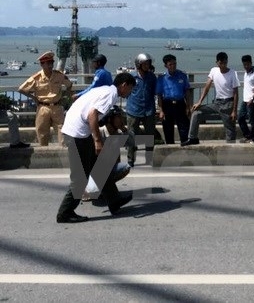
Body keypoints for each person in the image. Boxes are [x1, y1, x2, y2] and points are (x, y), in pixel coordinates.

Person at [56, 72, 137, 223]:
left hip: (78, 130)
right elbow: (92, 115)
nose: (130, 92)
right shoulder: (111, 95)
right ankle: (65, 213)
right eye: (131, 88)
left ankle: (114, 201)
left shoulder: (105, 90)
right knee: (80, 178)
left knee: (100, 168)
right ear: (124, 85)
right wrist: (98, 141)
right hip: (77, 134)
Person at [182, 52, 239, 145]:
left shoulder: (233, 73)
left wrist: (234, 110)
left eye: (225, 63)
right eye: (221, 63)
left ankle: (231, 145)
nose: (223, 65)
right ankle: (192, 138)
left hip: (228, 103)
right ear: (217, 62)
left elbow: (236, 93)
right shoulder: (214, 70)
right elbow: (207, 87)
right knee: (196, 112)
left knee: (230, 127)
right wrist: (199, 102)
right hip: (217, 103)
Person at [18, 51, 73, 146]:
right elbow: (21, 89)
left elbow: (69, 85)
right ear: (42, 65)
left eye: (51, 63)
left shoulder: (59, 75)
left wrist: (65, 97)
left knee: (63, 131)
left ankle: (65, 154)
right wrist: (34, 98)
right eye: (48, 63)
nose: (50, 66)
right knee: (42, 133)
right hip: (43, 108)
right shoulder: (36, 78)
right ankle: (44, 154)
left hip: (57, 107)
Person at [125, 53, 157, 167]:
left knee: (150, 135)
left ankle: (149, 158)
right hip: (133, 109)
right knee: (131, 135)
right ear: (139, 64)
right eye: (145, 63)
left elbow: (155, 91)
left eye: (148, 63)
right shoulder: (131, 76)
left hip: (148, 109)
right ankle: (130, 159)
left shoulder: (152, 77)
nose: (147, 65)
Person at [156, 54, 191, 145]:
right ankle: (170, 147)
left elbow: (187, 91)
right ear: (166, 65)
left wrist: (188, 106)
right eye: (170, 64)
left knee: (184, 127)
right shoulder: (162, 78)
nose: (173, 66)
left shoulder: (182, 75)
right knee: (168, 128)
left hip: (180, 103)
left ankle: (185, 145)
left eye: (174, 64)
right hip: (167, 104)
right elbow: (159, 95)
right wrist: (161, 110)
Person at [237, 55, 254, 143]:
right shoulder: (245, 73)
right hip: (245, 100)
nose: (246, 66)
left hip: (252, 101)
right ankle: (247, 135)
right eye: (244, 65)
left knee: (252, 120)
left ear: (251, 63)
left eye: (247, 64)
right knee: (240, 118)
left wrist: (252, 99)